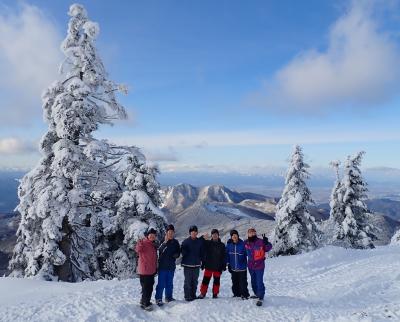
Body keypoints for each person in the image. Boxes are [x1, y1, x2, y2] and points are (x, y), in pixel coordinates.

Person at [244, 227, 272, 307]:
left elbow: (268, 248)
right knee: (253, 281)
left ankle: (261, 297)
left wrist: (266, 243)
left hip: (259, 265)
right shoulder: (246, 243)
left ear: (255, 233)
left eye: (253, 232)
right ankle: (256, 294)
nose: (252, 233)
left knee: (259, 281)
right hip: (250, 265)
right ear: (248, 234)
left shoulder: (260, 241)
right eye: (250, 232)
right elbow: (240, 247)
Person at [154, 224, 181, 306]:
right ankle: (158, 298)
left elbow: (178, 252)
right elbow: (159, 251)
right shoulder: (162, 240)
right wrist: (165, 243)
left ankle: (168, 297)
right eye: (169, 232)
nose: (171, 233)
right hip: (162, 267)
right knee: (161, 284)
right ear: (167, 233)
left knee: (169, 283)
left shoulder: (175, 242)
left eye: (172, 232)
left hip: (171, 267)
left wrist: (177, 254)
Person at [198, 229, 226, 299]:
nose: (215, 235)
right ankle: (202, 293)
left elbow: (223, 256)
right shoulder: (208, 243)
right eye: (213, 234)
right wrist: (202, 237)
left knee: (217, 282)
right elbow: (199, 242)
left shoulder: (222, 245)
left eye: (216, 234)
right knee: (205, 281)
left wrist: (223, 265)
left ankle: (215, 294)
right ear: (211, 235)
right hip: (208, 266)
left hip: (218, 267)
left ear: (218, 235)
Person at [135, 228, 158, 311]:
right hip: (144, 270)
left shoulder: (152, 244)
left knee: (149, 287)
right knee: (146, 288)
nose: (152, 236)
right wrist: (139, 242)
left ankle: (144, 300)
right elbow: (138, 250)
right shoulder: (144, 243)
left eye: (153, 235)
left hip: (151, 270)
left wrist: (155, 268)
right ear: (147, 236)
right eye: (150, 235)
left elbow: (154, 258)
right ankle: (145, 304)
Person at [181, 225, 204, 301]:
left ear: (197, 232)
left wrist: (203, 262)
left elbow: (202, 253)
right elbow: (182, 252)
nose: (193, 233)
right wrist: (183, 251)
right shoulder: (185, 241)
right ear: (190, 233)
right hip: (187, 265)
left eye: (195, 232)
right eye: (192, 232)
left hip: (196, 265)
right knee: (187, 281)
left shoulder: (199, 242)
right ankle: (187, 296)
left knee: (195, 281)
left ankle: (193, 295)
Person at [225, 229, 250, 299]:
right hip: (233, 268)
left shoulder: (243, 245)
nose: (234, 236)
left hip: (242, 268)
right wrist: (228, 264)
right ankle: (236, 294)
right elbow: (226, 255)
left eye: (235, 235)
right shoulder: (229, 246)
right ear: (231, 237)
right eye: (232, 235)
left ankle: (245, 295)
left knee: (243, 283)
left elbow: (249, 253)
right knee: (235, 283)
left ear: (238, 236)